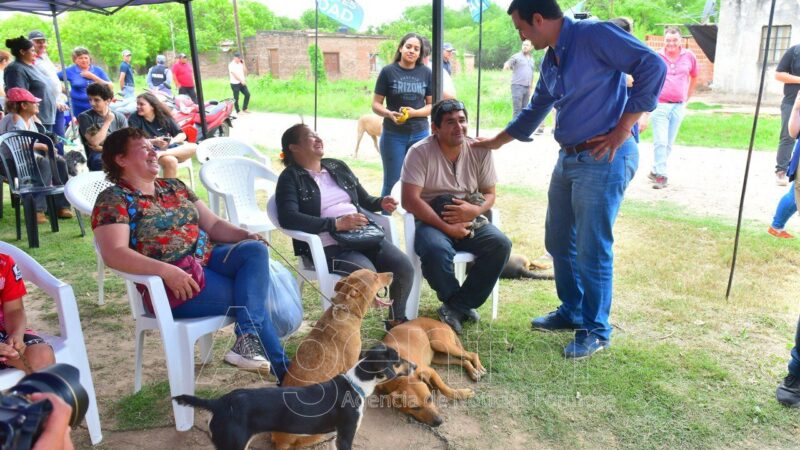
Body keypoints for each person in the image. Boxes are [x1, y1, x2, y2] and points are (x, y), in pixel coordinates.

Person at [475, 0, 666, 358]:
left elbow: (653, 65)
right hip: (568, 158)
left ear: (538, 19)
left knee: (592, 248)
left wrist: (624, 127)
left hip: (604, 157)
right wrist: (495, 143)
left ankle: (596, 329)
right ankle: (572, 311)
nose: (522, 37)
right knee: (560, 240)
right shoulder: (552, 59)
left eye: (522, 29)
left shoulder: (593, 34)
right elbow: (536, 109)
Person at [92, 127, 291, 381]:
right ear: (120, 159)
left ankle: (248, 341)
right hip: (172, 283)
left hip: (207, 261)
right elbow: (114, 253)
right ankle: (286, 373)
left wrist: (244, 234)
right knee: (250, 297)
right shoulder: (113, 199)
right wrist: (166, 271)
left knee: (253, 250)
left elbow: (215, 225)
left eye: (153, 147)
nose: (153, 152)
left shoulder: (174, 186)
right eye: (144, 149)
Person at [275, 124, 413, 329]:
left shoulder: (336, 166)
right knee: (368, 274)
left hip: (364, 236)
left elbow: (364, 199)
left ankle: (396, 321)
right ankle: (345, 331)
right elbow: (289, 218)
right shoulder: (290, 178)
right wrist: (335, 224)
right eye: (310, 137)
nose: (318, 139)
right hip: (329, 246)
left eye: (317, 134)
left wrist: (380, 203)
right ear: (294, 147)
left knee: (403, 266)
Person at [401, 99, 511, 334]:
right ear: (435, 128)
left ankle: (456, 306)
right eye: (450, 122)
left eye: (462, 120)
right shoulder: (419, 152)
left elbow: (490, 194)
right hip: (432, 217)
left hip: (469, 214)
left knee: (500, 244)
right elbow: (409, 200)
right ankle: (458, 303)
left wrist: (474, 211)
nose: (458, 127)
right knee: (435, 250)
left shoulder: (480, 149)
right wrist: (446, 227)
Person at [372, 32, 432, 197]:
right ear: (400, 48)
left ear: (420, 53)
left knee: (420, 183)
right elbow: (375, 104)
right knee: (392, 183)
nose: (412, 51)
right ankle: (385, 221)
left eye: (416, 48)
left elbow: (432, 105)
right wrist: (388, 113)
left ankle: (417, 221)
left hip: (420, 134)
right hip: (393, 135)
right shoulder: (388, 71)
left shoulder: (426, 72)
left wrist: (414, 113)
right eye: (408, 46)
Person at [0, 87, 72, 222]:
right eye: (34, 102)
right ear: (24, 105)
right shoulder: (15, 119)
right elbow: (19, 145)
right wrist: (45, 147)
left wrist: (48, 149)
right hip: (11, 163)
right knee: (44, 163)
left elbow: (32, 142)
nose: (38, 104)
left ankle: (61, 206)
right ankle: (37, 209)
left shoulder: (29, 119)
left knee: (60, 162)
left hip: (26, 160)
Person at [641, 26, 698, 189]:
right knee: (660, 140)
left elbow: (694, 76)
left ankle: (655, 169)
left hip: (678, 106)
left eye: (674, 40)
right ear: (664, 40)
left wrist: (687, 97)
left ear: (680, 40)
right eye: (668, 40)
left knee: (669, 143)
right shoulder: (657, 56)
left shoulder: (689, 56)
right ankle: (661, 175)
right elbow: (649, 79)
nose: (671, 43)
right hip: (660, 104)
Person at [0, 252, 57, 374]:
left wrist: (16, 334)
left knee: (42, 357)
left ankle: (42, 392)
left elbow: (13, 309)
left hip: (3, 333)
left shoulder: (4, 263)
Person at [128, 91, 197, 179]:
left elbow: (181, 135)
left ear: (152, 106)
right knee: (171, 161)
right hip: (149, 151)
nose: (138, 107)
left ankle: (161, 153)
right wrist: (154, 141)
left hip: (166, 150)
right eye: (137, 104)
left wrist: (171, 141)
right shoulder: (134, 118)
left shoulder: (162, 116)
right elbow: (134, 141)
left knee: (194, 146)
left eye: (141, 104)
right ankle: (169, 192)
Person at [4, 36, 56, 134]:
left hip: (46, 116)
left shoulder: (31, 67)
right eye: (32, 51)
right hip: (33, 119)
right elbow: (18, 97)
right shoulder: (16, 69)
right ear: (22, 52)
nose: (35, 54)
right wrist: (34, 118)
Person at [28, 31, 68, 143]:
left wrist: (59, 97)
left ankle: (60, 160)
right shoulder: (30, 61)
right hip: (43, 107)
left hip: (57, 104)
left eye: (43, 41)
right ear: (30, 44)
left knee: (60, 139)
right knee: (47, 140)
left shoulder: (45, 57)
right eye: (37, 42)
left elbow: (52, 79)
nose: (42, 44)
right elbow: (36, 86)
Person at [78, 82, 127, 171]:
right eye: (90, 99)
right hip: (98, 156)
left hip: (117, 153)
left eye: (96, 100)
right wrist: (107, 122)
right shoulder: (85, 117)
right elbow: (95, 142)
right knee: (103, 161)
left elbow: (126, 143)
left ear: (108, 101)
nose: (92, 103)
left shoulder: (120, 117)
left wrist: (102, 148)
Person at [774, 43, 800, 186]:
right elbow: (778, 74)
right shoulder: (795, 51)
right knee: (788, 136)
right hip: (792, 102)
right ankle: (781, 171)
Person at [62, 47, 113, 117]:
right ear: (75, 60)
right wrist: (65, 90)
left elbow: (110, 86)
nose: (84, 60)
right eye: (80, 58)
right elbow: (53, 78)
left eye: (86, 58)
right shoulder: (70, 71)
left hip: (96, 106)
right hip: (77, 107)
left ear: (89, 59)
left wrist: (92, 77)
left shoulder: (98, 70)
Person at [503, 40, 535, 118]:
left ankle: (522, 129)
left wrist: (531, 87)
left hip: (527, 88)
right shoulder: (516, 56)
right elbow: (509, 62)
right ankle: (514, 129)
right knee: (517, 110)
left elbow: (531, 74)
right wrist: (506, 65)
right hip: (517, 86)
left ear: (531, 47)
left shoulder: (532, 59)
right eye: (523, 45)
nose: (524, 46)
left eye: (527, 45)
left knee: (525, 110)